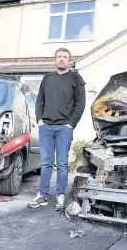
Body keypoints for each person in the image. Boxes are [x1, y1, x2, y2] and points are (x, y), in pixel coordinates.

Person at [27, 48, 86, 210]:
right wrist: (40, 120)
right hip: (46, 127)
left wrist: (71, 124)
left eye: (64, 57)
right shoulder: (47, 78)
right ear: (55, 59)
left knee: (61, 163)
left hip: (64, 128)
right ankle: (42, 196)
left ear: (69, 60)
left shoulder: (76, 78)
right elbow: (40, 101)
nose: (61, 59)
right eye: (59, 57)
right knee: (45, 163)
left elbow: (80, 104)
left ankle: (60, 195)